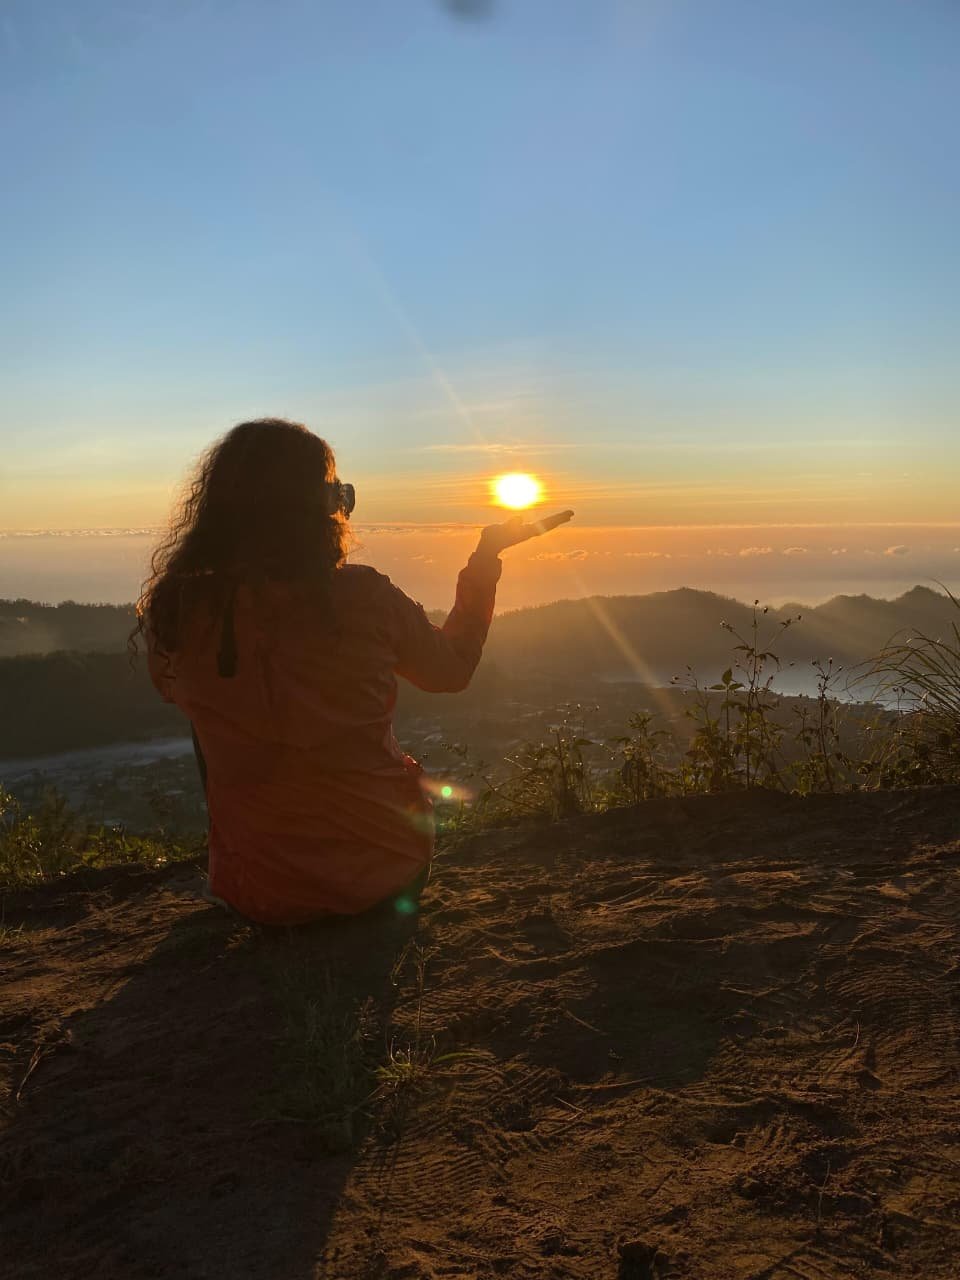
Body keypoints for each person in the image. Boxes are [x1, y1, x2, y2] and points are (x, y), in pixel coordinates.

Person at [135, 418, 573, 925]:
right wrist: (485, 560)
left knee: (211, 710)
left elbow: (170, 688)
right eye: (337, 494)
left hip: (262, 896)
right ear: (319, 511)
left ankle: (246, 858)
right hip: (388, 874)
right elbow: (450, 671)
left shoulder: (180, 609)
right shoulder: (365, 598)